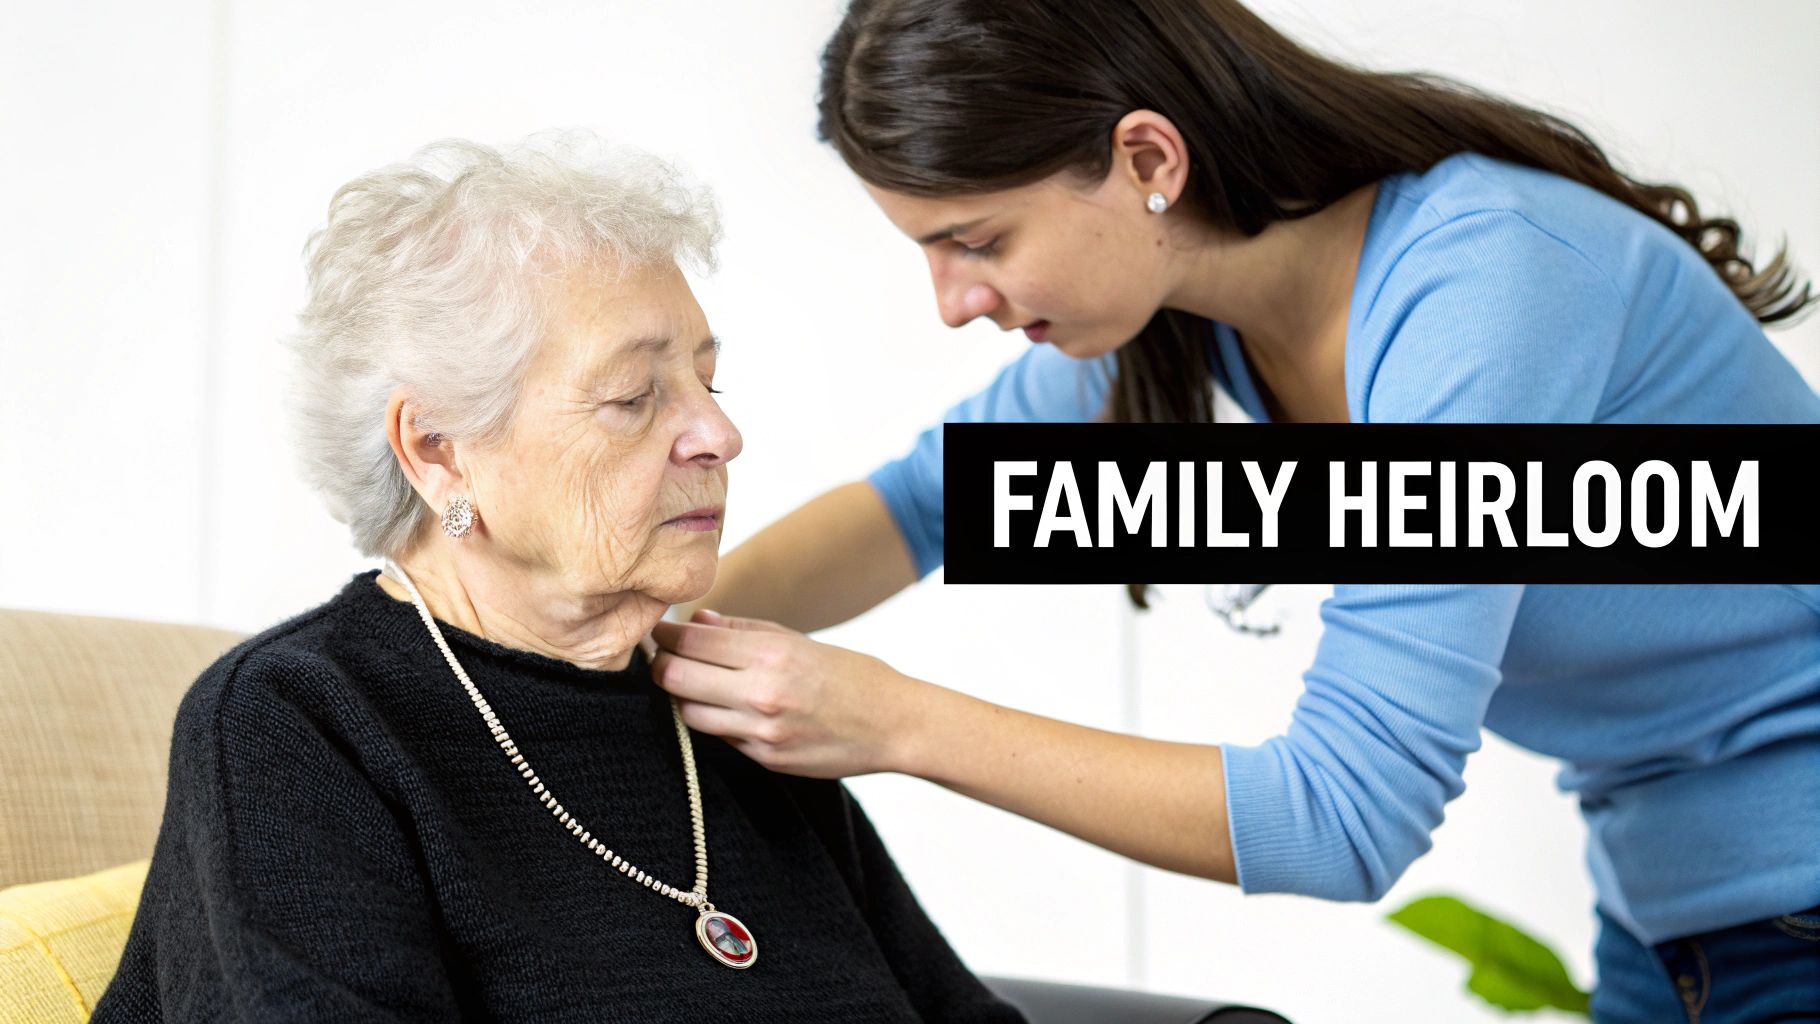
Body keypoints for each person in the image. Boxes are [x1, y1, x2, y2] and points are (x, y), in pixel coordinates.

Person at [647, 2, 1820, 1020]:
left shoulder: (1484, 287)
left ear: (1146, 157)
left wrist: (887, 723)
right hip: (1675, 919)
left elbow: (1343, 815)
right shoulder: (1193, 328)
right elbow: (916, 507)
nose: (954, 302)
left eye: (977, 240)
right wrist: (621, 625)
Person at [92, 134, 1024, 1023]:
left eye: (710, 382)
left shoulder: (748, 714)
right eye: (634, 397)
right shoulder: (299, 726)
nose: (719, 436)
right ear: (439, 452)